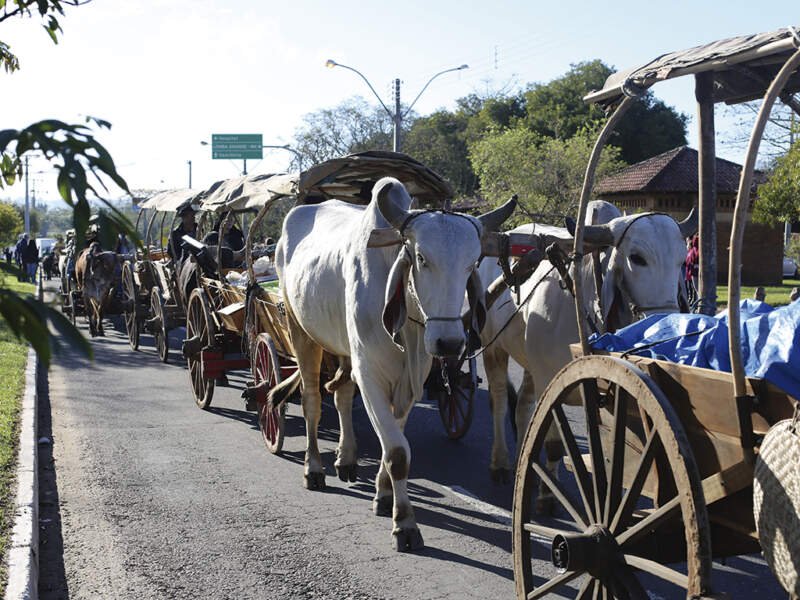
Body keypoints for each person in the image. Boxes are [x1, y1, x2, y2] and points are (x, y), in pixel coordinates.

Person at [169, 202, 198, 267]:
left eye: (193, 215)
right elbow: (171, 251)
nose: (193, 217)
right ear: (184, 218)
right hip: (182, 264)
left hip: (198, 260)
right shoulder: (176, 233)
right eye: (191, 216)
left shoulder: (198, 229)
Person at [685, 235, 699, 305]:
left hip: (693, 273)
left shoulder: (693, 251)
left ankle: (696, 302)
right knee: (693, 289)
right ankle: (693, 301)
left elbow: (691, 262)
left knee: (696, 289)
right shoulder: (691, 251)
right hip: (691, 273)